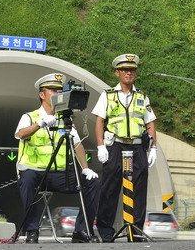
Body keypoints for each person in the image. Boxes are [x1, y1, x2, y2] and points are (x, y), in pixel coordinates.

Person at [15, 73, 101, 244]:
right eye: (53, 90)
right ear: (42, 95)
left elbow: (77, 145)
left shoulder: (65, 119)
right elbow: (20, 134)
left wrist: (85, 168)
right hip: (35, 172)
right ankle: (32, 230)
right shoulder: (30, 116)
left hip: (59, 175)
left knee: (93, 182)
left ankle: (82, 230)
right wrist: (39, 124)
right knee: (27, 180)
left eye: (60, 90)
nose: (57, 93)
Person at [92, 54, 158, 242]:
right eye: (125, 70)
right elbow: (99, 121)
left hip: (137, 148)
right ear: (117, 72)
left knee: (139, 190)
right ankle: (106, 231)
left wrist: (153, 148)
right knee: (110, 189)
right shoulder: (108, 95)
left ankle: (135, 231)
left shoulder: (142, 97)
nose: (129, 73)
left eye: (132, 70)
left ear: (136, 73)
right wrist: (100, 146)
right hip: (115, 147)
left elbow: (150, 123)